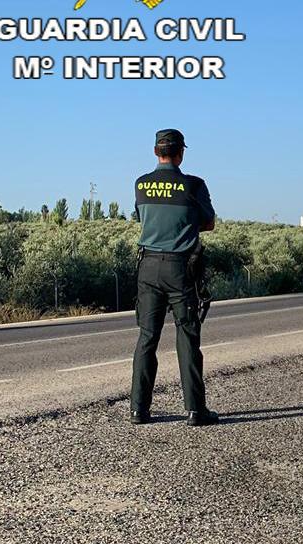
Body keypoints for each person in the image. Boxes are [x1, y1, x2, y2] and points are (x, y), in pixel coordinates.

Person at [130, 128, 219, 426]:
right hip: (181, 269)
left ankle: (138, 410)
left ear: (156, 152)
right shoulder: (193, 186)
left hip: (148, 268)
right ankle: (195, 410)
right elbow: (209, 223)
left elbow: (142, 218)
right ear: (180, 153)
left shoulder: (141, 184)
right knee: (187, 337)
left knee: (147, 338)